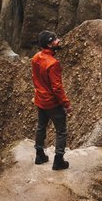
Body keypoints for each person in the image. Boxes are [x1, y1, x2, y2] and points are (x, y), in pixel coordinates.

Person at [31, 30, 70, 170]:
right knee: (61, 131)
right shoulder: (53, 64)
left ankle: (39, 154)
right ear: (49, 44)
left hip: (40, 100)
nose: (58, 40)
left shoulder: (36, 58)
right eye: (55, 39)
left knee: (41, 127)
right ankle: (58, 160)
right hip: (52, 103)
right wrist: (66, 104)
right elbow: (57, 88)